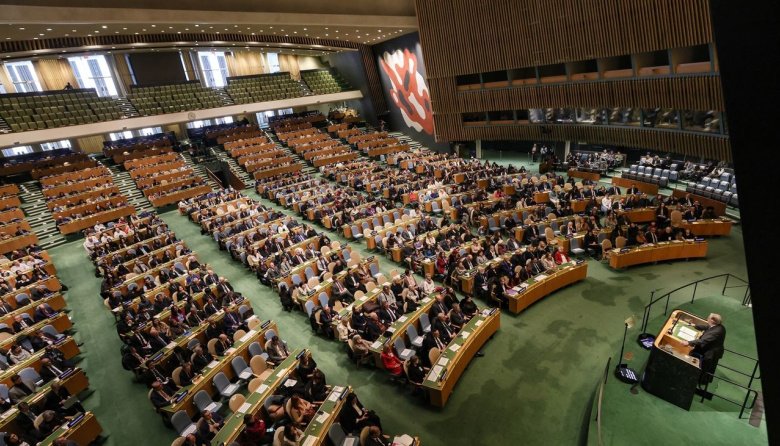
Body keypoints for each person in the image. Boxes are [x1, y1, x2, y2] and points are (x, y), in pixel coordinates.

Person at [681, 313, 726, 386]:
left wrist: (688, 342)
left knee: (705, 369)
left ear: (712, 321)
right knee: (707, 368)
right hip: (710, 349)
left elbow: (703, 341)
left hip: (711, 353)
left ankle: (698, 382)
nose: (707, 319)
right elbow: (707, 327)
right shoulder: (718, 326)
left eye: (708, 318)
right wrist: (695, 325)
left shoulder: (716, 332)